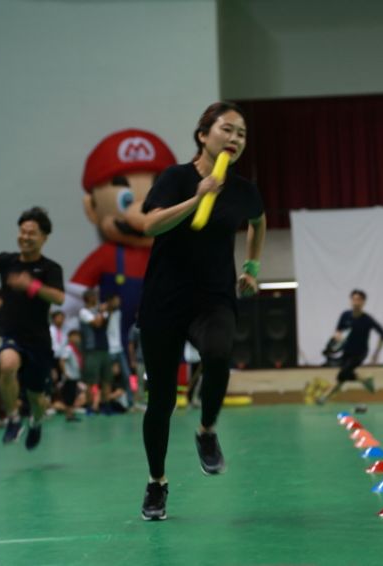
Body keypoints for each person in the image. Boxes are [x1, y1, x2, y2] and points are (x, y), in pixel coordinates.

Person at [137, 101, 266, 521]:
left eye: (241, 134)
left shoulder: (244, 190)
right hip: (164, 301)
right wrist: (197, 198)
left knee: (218, 351)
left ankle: (207, 430)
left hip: (213, 297)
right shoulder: (175, 178)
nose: (235, 138)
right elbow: (150, 224)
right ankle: (157, 482)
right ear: (203, 135)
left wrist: (251, 267)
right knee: (161, 401)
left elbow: (259, 222)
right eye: (227, 129)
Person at [0, 206, 65, 450]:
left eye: (32, 233)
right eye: (22, 231)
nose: (25, 237)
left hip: (38, 340)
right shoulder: (6, 261)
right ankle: (13, 418)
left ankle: (36, 422)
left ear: (44, 237)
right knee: (7, 366)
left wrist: (31, 285)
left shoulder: (50, 268)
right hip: (9, 332)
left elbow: (59, 298)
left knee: (36, 398)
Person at [317, 290, 383, 403]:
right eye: (353, 299)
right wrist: (337, 337)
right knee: (346, 375)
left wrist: (376, 353)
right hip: (346, 352)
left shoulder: (367, 319)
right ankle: (365, 380)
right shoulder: (345, 315)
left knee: (342, 374)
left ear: (363, 302)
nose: (355, 302)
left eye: (358, 300)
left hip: (360, 353)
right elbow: (338, 331)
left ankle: (325, 396)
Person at [79, 288, 112, 413]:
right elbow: (97, 323)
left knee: (107, 380)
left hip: (105, 348)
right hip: (92, 351)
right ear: (88, 298)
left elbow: (105, 320)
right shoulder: (84, 312)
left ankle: (106, 405)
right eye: (93, 296)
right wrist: (102, 312)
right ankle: (89, 406)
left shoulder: (99, 311)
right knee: (91, 381)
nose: (96, 298)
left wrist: (103, 312)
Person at [59, 330, 83, 422]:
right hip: (69, 376)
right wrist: (65, 373)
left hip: (74, 376)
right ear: (70, 337)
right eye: (75, 336)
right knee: (69, 396)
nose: (77, 339)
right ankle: (68, 415)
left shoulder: (75, 349)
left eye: (78, 337)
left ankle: (71, 414)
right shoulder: (68, 348)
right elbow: (62, 360)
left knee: (72, 395)